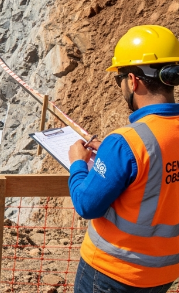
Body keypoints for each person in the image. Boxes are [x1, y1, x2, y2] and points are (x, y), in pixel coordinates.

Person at [68, 25, 179, 292]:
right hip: (164, 274)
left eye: (119, 79)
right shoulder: (127, 145)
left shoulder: (125, 142)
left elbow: (87, 204)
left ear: (133, 80)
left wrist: (77, 163)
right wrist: (116, 154)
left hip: (111, 273)